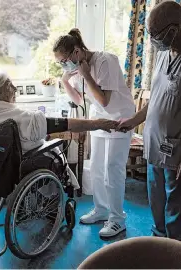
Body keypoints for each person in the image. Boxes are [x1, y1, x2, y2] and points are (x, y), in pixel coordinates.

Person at [117, 1, 181, 243]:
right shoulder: (164, 55)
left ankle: (176, 254)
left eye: (155, 33)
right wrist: (133, 119)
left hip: (179, 151)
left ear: (175, 29)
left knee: (176, 207)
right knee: (157, 201)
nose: (152, 39)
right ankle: (158, 245)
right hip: (154, 145)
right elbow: (156, 99)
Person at [0, 70, 120, 188]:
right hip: (20, 167)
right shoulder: (20, 119)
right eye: (9, 85)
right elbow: (67, 124)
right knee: (57, 155)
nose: (15, 89)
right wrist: (97, 124)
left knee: (45, 138)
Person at [53, 28, 135, 237]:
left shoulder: (106, 60)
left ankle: (117, 219)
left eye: (64, 60)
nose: (64, 65)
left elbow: (104, 100)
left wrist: (87, 74)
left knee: (113, 168)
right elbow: (80, 100)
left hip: (119, 118)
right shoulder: (77, 70)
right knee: (97, 166)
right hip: (98, 119)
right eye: (60, 63)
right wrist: (65, 81)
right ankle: (101, 209)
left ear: (77, 52)